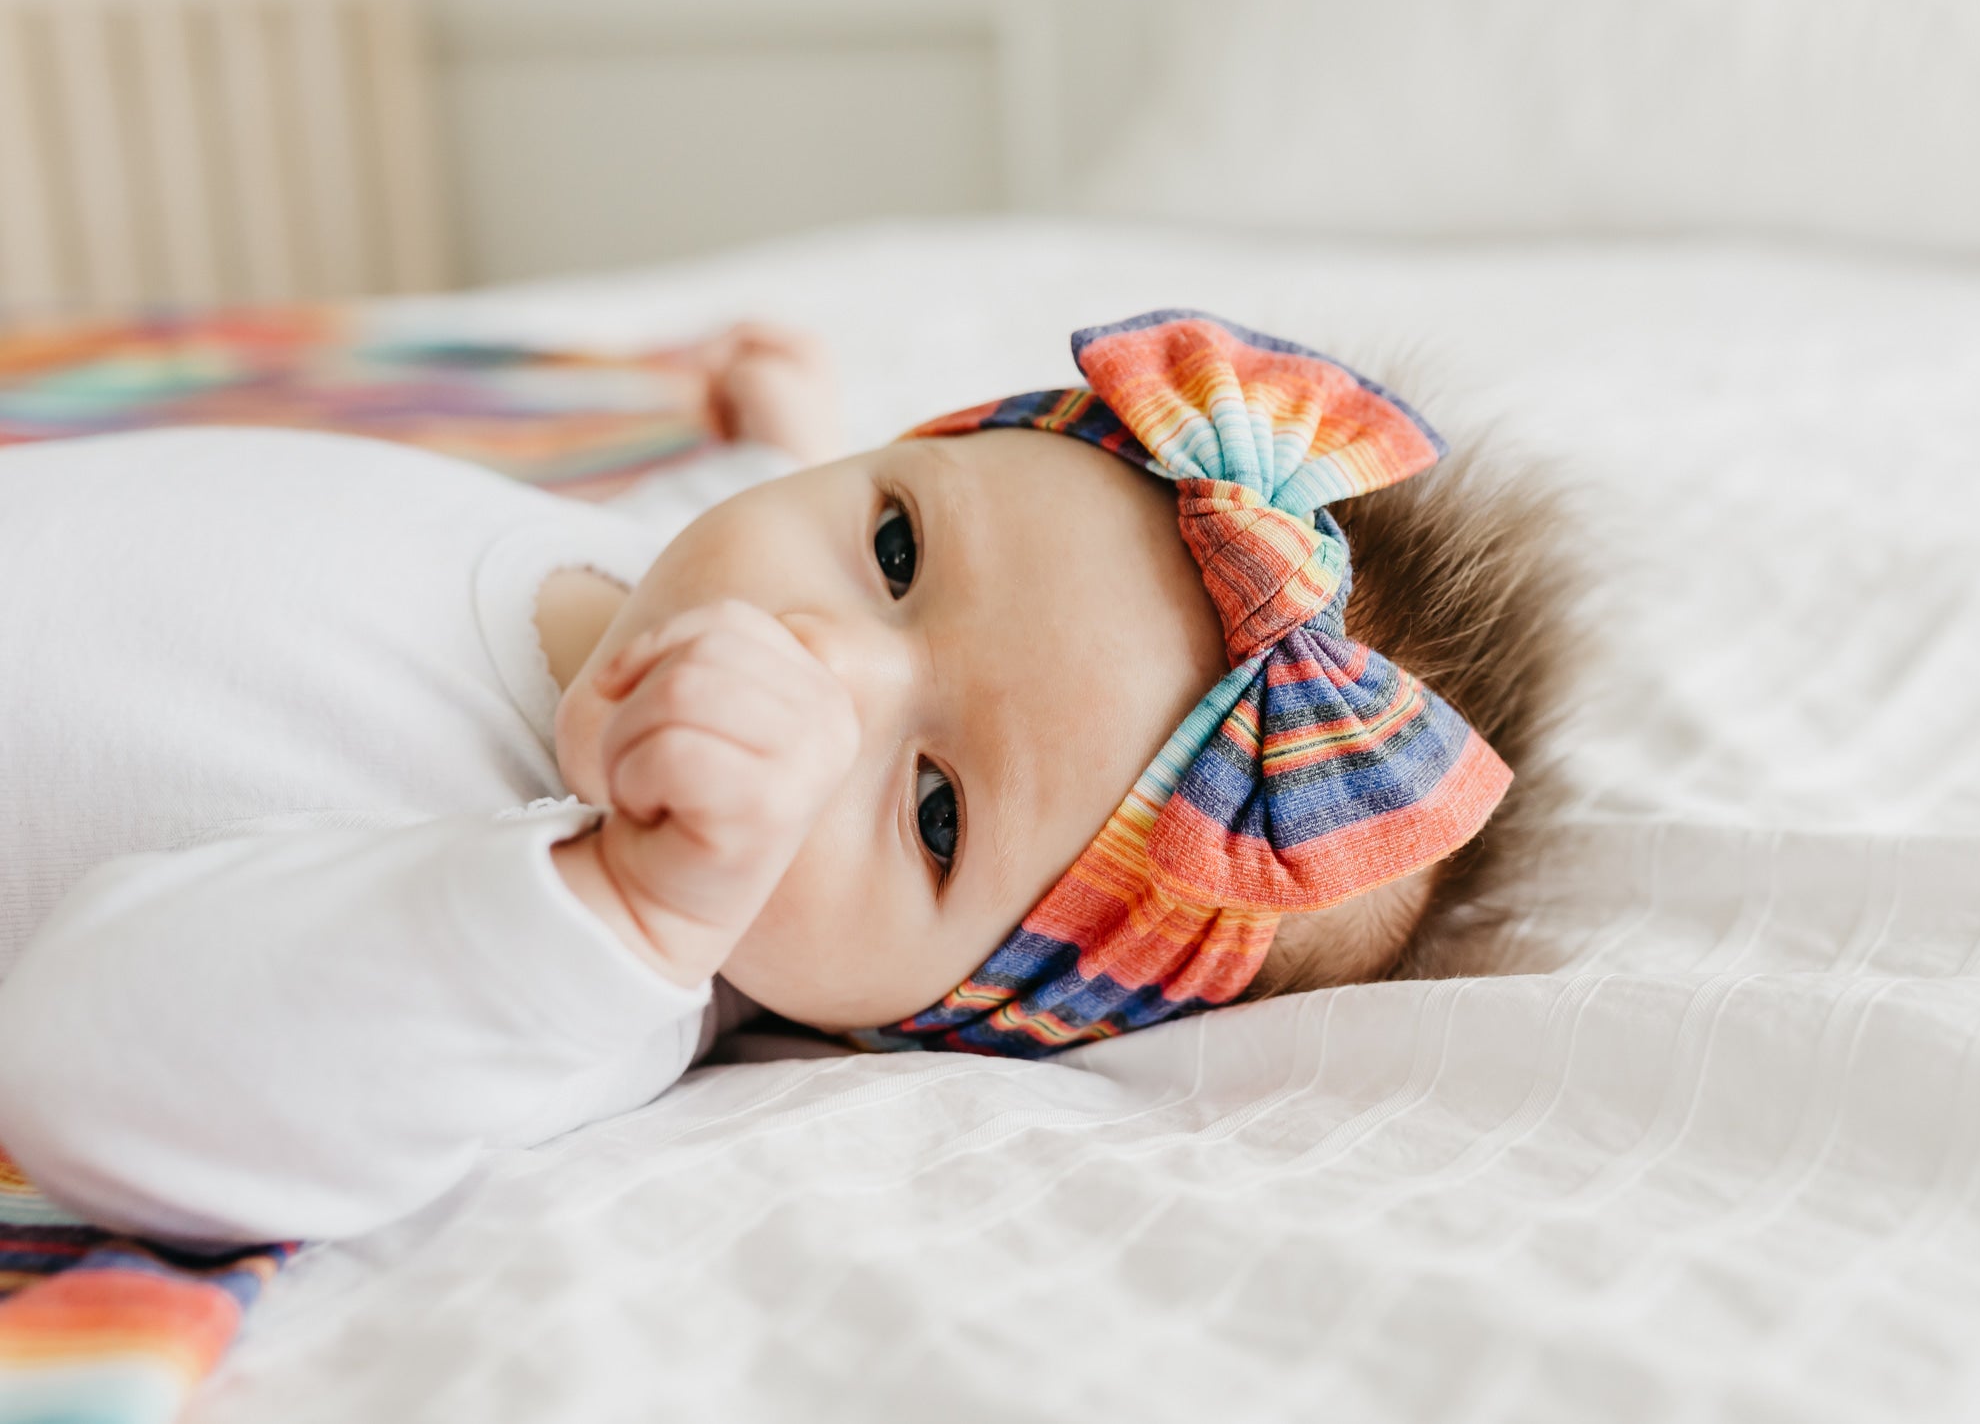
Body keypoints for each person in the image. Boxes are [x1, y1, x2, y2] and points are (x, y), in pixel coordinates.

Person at [0, 312, 1576, 1246]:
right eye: (895, 546)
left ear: (920, 1016)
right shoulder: (676, 560)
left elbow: (85, 1072)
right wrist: (773, 445)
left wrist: (623, 906)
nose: (817, 661)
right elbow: (747, 524)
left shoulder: (569, 972)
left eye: (937, 811)